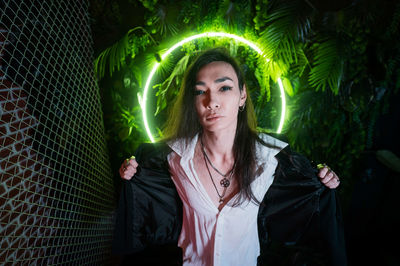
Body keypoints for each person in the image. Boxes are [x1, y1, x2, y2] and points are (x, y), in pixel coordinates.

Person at [113, 48, 346, 266]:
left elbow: (309, 201)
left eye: (224, 88)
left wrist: (323, 179)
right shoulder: (173, 159)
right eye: (200, 91)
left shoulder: (272, 160)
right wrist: (131, 173)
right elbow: (144, 204)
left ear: (242, 95)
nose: (211, 102)